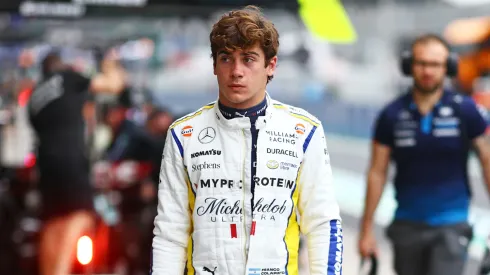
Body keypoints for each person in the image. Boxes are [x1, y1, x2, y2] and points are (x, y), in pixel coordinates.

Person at [152, 5, 343, 275]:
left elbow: (323, 224)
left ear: (270, 65)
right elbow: (170, 233)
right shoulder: (184, 134)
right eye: (226, 58)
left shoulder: (303, 131)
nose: (237, 71)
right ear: (215, 66)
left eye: (249, 58)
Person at [358, 34, 490, 275]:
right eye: (421, 63)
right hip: (406, 225)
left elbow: (488, 163)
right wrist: (366, 230)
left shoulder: (466, 111)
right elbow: (377, 172)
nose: (428, 71)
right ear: (409, 65)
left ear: (448, 67)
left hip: (452, 225)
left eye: (435, 64)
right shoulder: (391, 115)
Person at [28, 51, 126, 275]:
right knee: (80, 215)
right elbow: (113, 85)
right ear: (61, 66)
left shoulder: (35, 95)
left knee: (53, 223)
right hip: (70, 161)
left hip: (45, 167)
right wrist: (109, 61)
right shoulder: (68, 77)